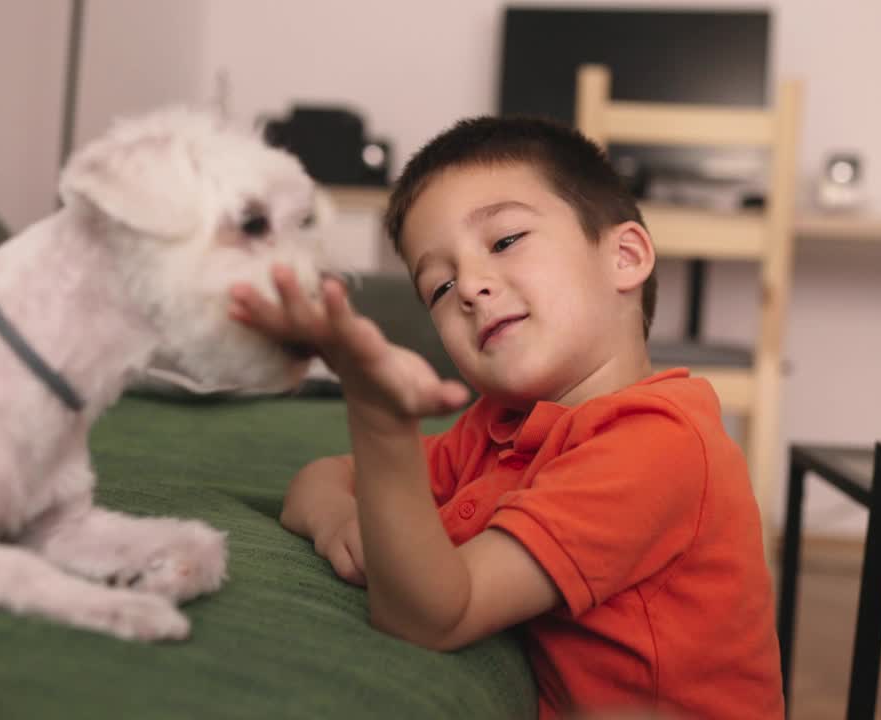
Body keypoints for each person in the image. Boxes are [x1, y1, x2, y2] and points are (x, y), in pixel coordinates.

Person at [228, 115, 783, 719]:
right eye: (438, 288)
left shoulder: (657, 444)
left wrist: (379, 415)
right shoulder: (495, 427)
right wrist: (341, 522)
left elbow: (437, 615)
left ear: (624, 257)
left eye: (505, 241)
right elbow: (315, 481)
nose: (468, 287)